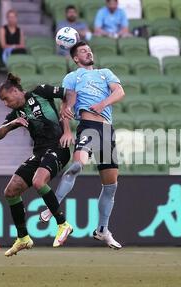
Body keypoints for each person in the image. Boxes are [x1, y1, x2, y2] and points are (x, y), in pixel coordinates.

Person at [39, 41, 125, 250]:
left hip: (106, 130)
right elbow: (66, 105)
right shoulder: (73, 77)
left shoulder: (105, 73)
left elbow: (119, 92)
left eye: (89, 50)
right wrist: (67, 130)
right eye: (83, 51)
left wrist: (102, 104)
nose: (88, 52)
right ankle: (52, 206)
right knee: (77, 166)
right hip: (88, 126)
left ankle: (102, 230)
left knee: (111, 186)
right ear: (76, 58)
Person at [0, 73, 72, 257]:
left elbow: (69, 94)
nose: (5, 103)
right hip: (39, 154)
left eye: (6, 99)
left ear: (14, 91)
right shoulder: (16, 114)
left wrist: (67, 128)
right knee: (10, 191)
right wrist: (12, 123)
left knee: (39, 182)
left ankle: (63, 224)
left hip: (59, 147)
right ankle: (23, 238)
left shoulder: (40, 92)